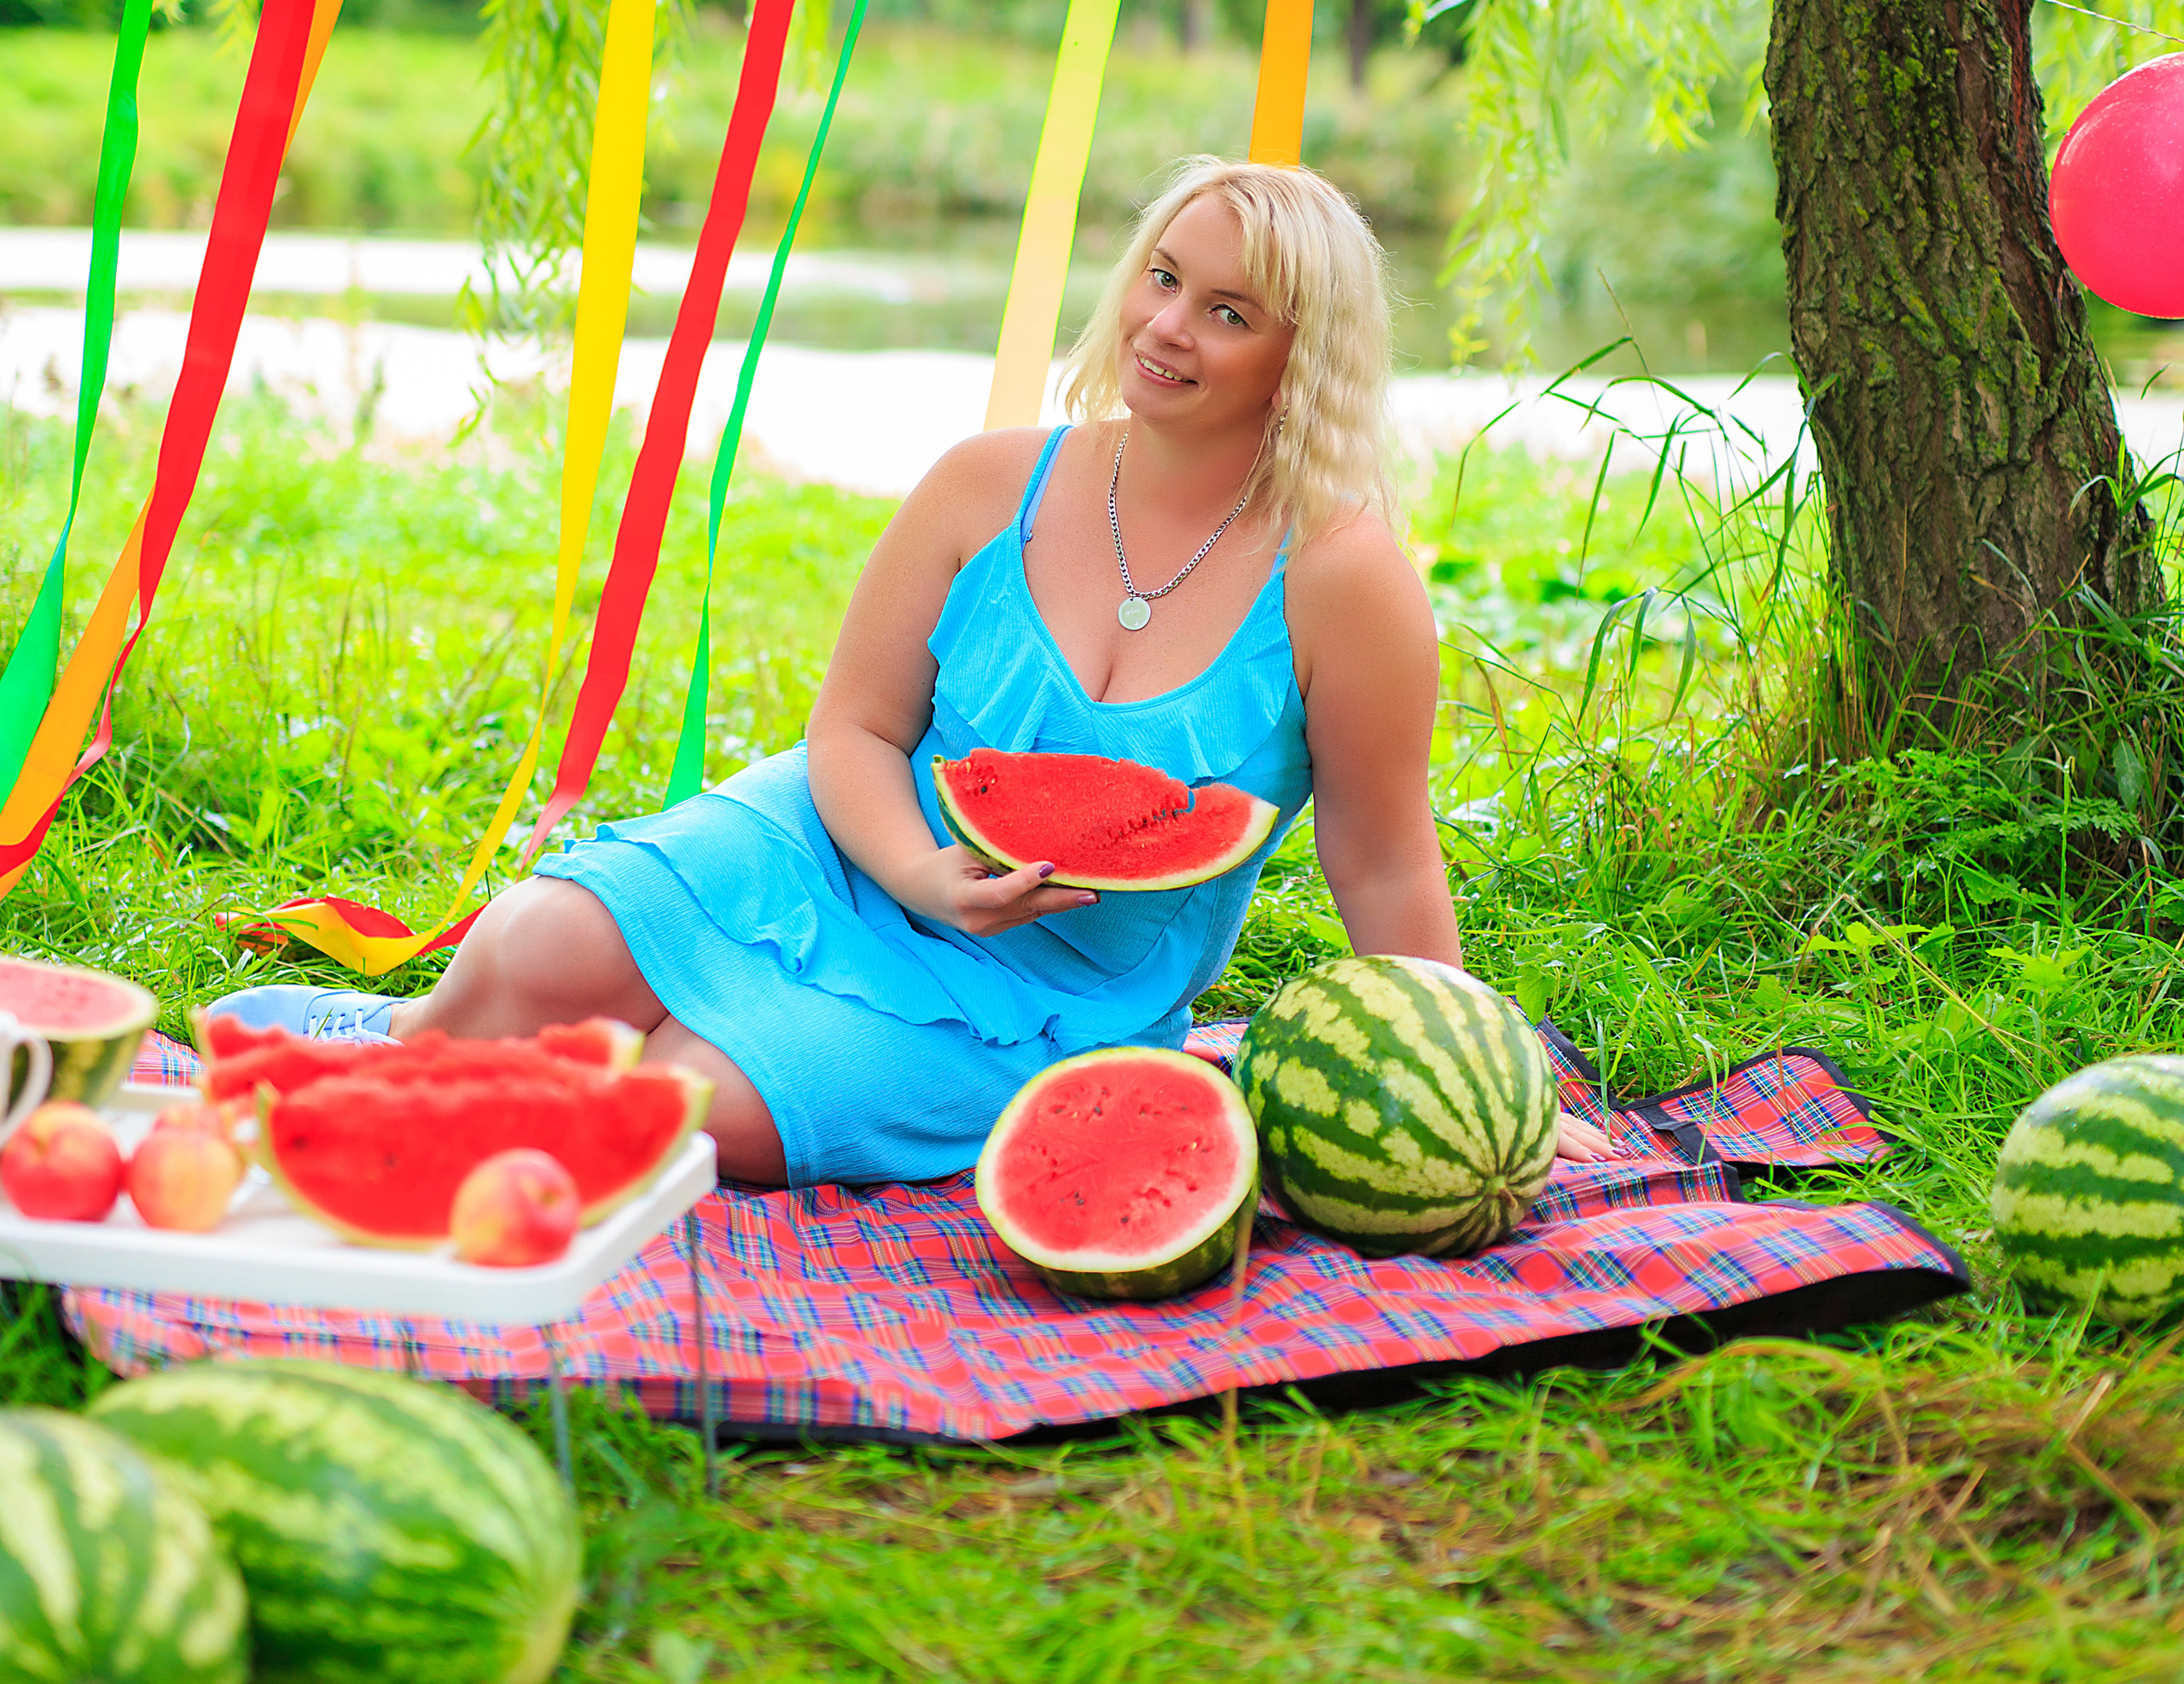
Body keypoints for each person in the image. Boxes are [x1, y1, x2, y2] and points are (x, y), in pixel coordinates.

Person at [219, 155, 1608, 1184]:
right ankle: (409, 1033)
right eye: (1163, 278)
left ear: (1305, 356)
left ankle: (461, 1090)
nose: (1166, 327)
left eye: (1228, 312)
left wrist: (1466, 1090)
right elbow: (855, 731)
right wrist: (922, 870)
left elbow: (1382, 857)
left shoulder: (1344, 579)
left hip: (1052, 990)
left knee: (701, 1100)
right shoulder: (985, 485)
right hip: (840, 845)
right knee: (535, 947)